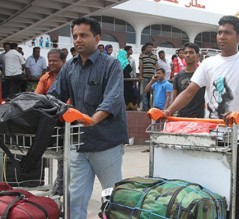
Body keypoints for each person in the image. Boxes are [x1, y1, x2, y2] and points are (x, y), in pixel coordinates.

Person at [164, 15, 239, 219]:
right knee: (213, 185)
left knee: (236, 190)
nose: (222, 36)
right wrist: (167, 112)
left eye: (227, 33)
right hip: (213, 136)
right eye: (219, 32)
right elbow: (189, 91)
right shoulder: (208, 63)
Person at [48, 16, 128, 219]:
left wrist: (93, 120)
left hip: (107, 143)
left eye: (84, 35)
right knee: (74, 200)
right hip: (79, 144)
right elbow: (54, 96)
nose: (78, 40)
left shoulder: (111, 65)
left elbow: (114, 98)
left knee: (113, 200)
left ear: (97, 38)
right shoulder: (69, 67)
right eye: (75, 36)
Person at [34, 49, 67, 196]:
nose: (52, 63)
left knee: (63, 158)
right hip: (50, 121)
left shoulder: (69, 77)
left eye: (55, 60)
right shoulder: (45, 78)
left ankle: (60, 189)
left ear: (63, 62)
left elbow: (69, 103)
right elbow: (37, 98)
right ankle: (56, 187)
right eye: (50, 60)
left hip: (66, 121)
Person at [172, 42, 205, 118]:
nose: (187, 55)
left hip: (200, 119)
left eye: (191, 52)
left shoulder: (203, 74)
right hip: (182, 117)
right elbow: (174, 99)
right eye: (185, 53)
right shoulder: (178, 76)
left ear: (198, 56)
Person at [138, 42, 158, 111]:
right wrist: (140, 76)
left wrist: (157, 75)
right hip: (145, 77)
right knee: (145, 93)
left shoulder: (155, 56)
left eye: (151, 47)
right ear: (146, 48)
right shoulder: (142, 56)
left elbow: (156, 67)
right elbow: (141, 66)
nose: (150, 49)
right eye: (148, 47)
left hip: (152, 77)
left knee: (152, 93)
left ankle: (152, 108)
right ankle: (145, 108)